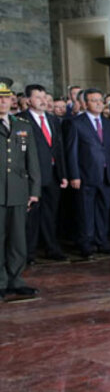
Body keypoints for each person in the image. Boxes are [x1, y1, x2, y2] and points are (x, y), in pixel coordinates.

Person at [65, 88, 110, 258]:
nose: (98, 103)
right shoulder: (76, 123)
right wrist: (74, 175)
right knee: (86, 212)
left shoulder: (109, 123)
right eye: (93, 100)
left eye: (100, 100)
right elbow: (72, 152)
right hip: (85, 175)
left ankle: (102, 241)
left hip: (107, 175)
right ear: (84, 103)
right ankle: (86, 243)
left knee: (104, 210)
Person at [17, 84, 68, 262]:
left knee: (50, 214)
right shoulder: (20, 120)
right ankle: (29, 252)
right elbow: (19, 152)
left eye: (45, 97)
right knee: (31, 216)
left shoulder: (53, 120)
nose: (43, 101)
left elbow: (59, 149)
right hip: (32, 177)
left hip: (53, 175)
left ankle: (51, 248)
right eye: (38, 97)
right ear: (28, 101)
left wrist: (63, 174)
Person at [0, 83, 41, 299]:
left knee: (18, 239)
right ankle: (0, 282)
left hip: (17, 191)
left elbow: (30, 159)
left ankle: (16, 279)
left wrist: (33, 190)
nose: (3, 102)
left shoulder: (22, 126)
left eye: (6, 98)